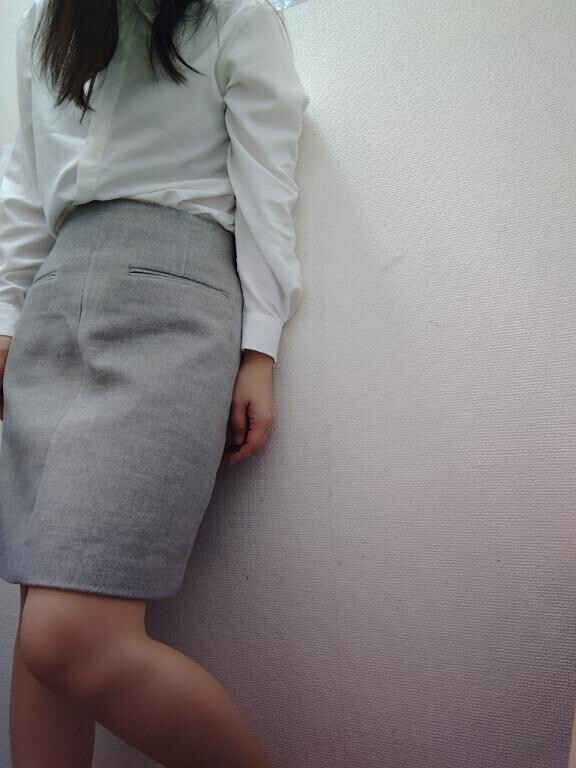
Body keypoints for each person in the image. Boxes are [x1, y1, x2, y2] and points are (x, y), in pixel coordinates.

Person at [0, 0, 309, 764]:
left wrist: (261, 347)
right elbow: (23, 182)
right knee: (41, 622)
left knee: (68, 637)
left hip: (171, 298)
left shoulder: (236, 15)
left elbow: (267, 182)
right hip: (54, 298)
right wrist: (5, 317)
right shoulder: (46, 20)